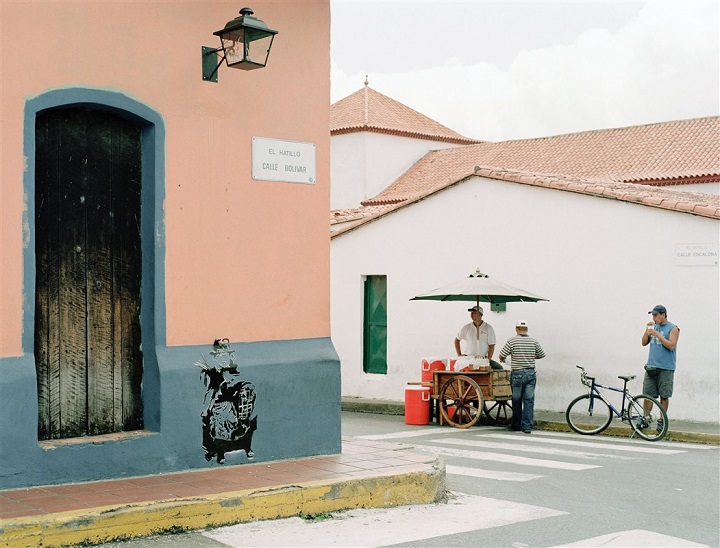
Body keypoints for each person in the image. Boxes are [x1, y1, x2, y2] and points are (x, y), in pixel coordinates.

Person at [499, 320, 546, 433]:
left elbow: (502, 355)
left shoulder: (512, 340)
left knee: (516, 400)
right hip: (530, 373)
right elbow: (542, 354)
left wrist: (504, 359)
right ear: (527, 329)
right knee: (529, 400)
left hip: (517, 374)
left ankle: (516, 425)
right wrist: (530, 358)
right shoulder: (533, 341)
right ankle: (527, 426)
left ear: (516, 329)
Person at [641, 304, 679, 433]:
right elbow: (643, 342)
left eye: (656, 315)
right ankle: (645, 418)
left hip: (666, 367)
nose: (654, 317)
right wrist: (647, 330)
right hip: (651, 366)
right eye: (653, 315)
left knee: (664, 395)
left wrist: (658, 335)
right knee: (648, 395)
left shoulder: (673, 328)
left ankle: (662, 420)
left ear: (663, 315)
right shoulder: (653, 327)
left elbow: (671, 345)